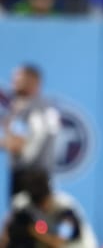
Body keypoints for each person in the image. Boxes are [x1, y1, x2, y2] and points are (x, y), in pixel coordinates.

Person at [0, 64, 60, 199]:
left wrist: (7, 140)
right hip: (30, 176)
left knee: (32, 219)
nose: (14, 82)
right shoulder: (25, 107)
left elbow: (18, 145)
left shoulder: (35, 109)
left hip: (32, 179)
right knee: (30, 219)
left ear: (33, 82)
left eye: (19, 79)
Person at [0, 168, 98, 248]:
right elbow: (5, 237)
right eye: (38, 204)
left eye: (44, 201)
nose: (43, 207)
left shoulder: (65, 209)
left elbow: (58, 243)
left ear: (49, 195)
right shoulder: (23, 205)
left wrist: (32, 230)